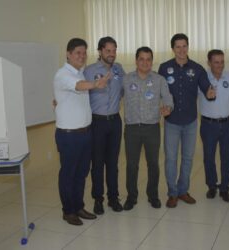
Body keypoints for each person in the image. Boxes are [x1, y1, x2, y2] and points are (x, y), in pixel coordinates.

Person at [54, 38, 110, 225]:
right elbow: (78, 87)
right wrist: (95, 84)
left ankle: (78, 206)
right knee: (69, 173)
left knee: (81, 173)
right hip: (69, 135)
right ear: (68, 54)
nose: (82, 56)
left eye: (84, 52)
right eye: (78, 52)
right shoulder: (63, 74)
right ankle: (68, 210)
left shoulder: (80, 73)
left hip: (85, 133)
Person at [158, 33, 216, 208]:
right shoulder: (164, 67)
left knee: (188, 158)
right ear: (173, 49)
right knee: (170, 158)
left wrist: (210, 93)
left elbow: (206, 88)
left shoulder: (197, 68)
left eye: (184, 46)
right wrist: (161, 106)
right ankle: (172, 193)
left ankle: (183, 191)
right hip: (172, 122)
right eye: (178, 47)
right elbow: (160, 92)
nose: (182, 50)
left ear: (188, 47)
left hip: (190, 121)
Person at [123, 46, 173, 210]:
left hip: (152, 128)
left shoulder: (159, 80)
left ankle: (153, 195)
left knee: (153, 164)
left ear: (152, 61)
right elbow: (112, 96)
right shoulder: (126, 79)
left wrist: (168, 108)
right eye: (141, 59)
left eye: (148, 59)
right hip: (132, 128)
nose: (145, 62)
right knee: (132, 165)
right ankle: (131, 197)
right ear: (136, 61)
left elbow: (168, 99)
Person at [83, 36, 125, 214]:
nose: (112, 54)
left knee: (113, 163)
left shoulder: (119, 69)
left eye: (114, 50)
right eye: (108, 50)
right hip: (97, 122)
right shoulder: (89, 70)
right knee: (98, 163)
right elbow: (80, 92)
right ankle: (98, 199)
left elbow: (124, 91)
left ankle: (113, 198)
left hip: (115, 121)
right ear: (100, 51)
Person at [199, 49, 229, 202]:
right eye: (216, 62)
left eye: (222, 62)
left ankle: (224, 188)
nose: (220, 65)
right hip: (208, 125)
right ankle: (212, 186)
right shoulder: (202, 78)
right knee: (209, 157)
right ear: (209, 63)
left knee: (228, 157)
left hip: (228, 125)